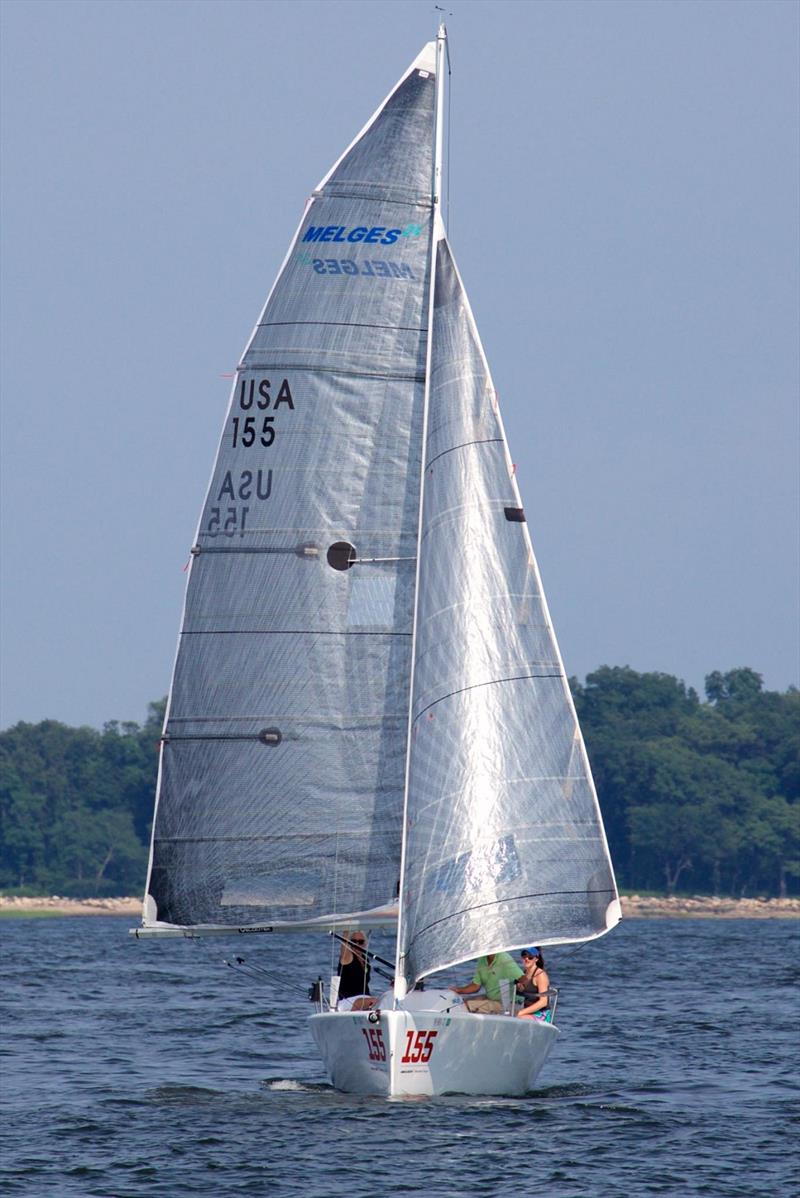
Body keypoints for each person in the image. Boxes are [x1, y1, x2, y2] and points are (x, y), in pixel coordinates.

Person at [452, 951, 523, 1013]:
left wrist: (523, 986)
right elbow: (475, 986)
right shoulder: (482, 960)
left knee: (466, 1005)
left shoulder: (504, 958)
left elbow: (522, 978)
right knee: (458, 1003)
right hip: (491, 999)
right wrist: (458, 990)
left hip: (507, 1003)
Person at [336, 931, 377, 1011]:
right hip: (348, 1001)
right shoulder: (347, 958)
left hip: (365, 999)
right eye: (354, 942)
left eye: (360, 942)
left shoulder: (365, 960)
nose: (357, 944)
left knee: (386, 998)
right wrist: (346, 930)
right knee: (374, 1001)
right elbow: (344, 946)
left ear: (365, 944)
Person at [515, 947, 552, 1021]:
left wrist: (521, 1012)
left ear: (536, 959)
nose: (527, 959)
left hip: (541, 1014)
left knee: (518, 1018)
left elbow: (543, 1002)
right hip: (527, 1012)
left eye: (530, 957)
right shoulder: (524, 973)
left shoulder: (540, 975)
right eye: (524, 955)